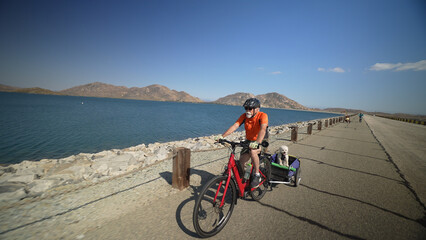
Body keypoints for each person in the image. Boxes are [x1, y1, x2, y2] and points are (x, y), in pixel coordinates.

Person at [216, 98, 269, 188]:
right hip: (249, 141)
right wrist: (222, 136)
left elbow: (263, 129)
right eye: (246, 108)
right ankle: (245, 179)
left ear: (257, 109)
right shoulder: (244, 116)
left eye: (250, 108)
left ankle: (257, 175)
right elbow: (235, 125)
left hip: (262, 140)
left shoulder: (262, 115)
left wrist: (257, 142)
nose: (247, 111)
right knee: (241, 161)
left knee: (253, 151)